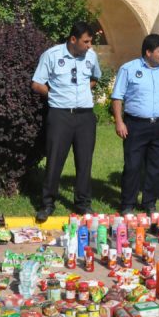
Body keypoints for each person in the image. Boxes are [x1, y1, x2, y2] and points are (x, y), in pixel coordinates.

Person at [32, 22, 102, 222]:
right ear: (73, 39)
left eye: (90, 41)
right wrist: (55, 95)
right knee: (55, 160)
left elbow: (95, 77)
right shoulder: (52, 55)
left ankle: (83, 203)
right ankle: (47, 203)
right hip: (60, 115)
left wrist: (83, 91)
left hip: (85, 116)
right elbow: (37, 83)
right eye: (86, 41)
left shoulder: (91, 56)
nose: (89, 45)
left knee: (84, 161)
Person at [111, 34, 159, 215]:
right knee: (132, 166)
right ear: (148, 52)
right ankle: (128, 204)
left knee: (156, 167)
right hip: (135, 125)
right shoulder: (129, 69)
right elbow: (117, 97)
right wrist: (119, 122)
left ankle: (149, 203)